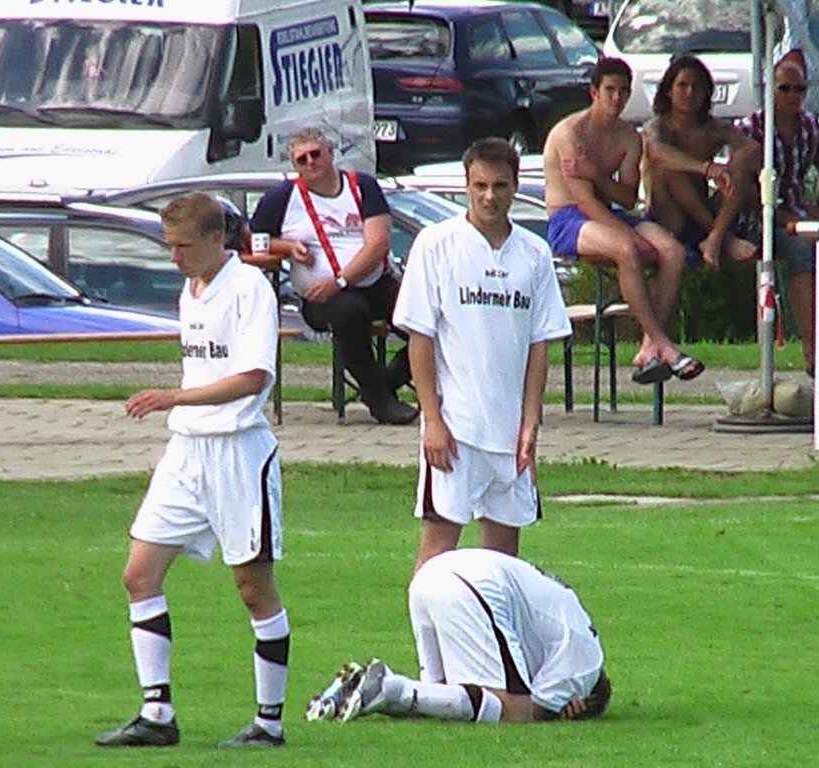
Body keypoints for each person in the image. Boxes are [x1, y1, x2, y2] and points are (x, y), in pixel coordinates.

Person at [94, 193, 291, 749]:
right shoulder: (192, 289)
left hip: (238, 453)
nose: (173, 257)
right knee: (139, 574)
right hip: (186, 452)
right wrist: (179, 407)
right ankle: (157, 714)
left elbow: (254, 377)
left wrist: (173, 397)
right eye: (168, 245)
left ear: (214, 239)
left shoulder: (249, 288)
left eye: (182, 246)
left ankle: (269, 723)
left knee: (253, 589)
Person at [392, 137, 572, 573]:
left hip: (508, 434)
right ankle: (425, 624)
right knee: (436, 556)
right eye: (481, 186)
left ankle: (493, 623)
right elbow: (420, 337)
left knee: (503, 562)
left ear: (515, 187)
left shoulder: (533, 253)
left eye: (500, 186)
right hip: (457, 427)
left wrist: (530, 424)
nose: (490, 196)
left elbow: (539, 344)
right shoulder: (436, 244)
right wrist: (432, 419)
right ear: (467, 186)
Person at [305, 548, 611, 724]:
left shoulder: (569, 629)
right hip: (474, 586)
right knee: (513, 711)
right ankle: (387, 687)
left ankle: (355, 690)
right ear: (582, 696)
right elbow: (531, 711)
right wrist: (556, 712)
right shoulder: (585, 666)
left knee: (442, 697)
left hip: (433, 574)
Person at [544, 56, 701, 386]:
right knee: (627, 249)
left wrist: (596, 174)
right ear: (594, 92)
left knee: (672, 251)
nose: (616, 99)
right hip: (568, 218)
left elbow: (628, 197)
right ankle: (663, 345)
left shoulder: (629, 136)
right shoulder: (570, 134)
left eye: (623, 91)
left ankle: (648, 348)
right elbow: (584, 201)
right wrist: (629, 237)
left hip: (608, 213)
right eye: (610, 90)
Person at [249, 126, 416, 425]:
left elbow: (377, 243)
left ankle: (385, 383)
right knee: (349, 314)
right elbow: (254, 239)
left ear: (330, 153)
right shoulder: (283, 196)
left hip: (373, 283)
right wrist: (288, 246)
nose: (310, 162)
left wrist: (339, 281)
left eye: (315, 154)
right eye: (302, 159)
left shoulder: (362, 186)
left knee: (427, 321)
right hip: (320, 298)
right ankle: (381, 402)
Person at [740, 49, 819, 375]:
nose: (793, 96)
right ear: (770, 89)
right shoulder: (752, 128)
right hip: (758, 218)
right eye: (785, 88)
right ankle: (812, 348)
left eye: (800, 89)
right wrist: (788, 219)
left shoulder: (810, 125)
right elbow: (745, 192)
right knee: (800, 250)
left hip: (799, 213)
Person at [642, 54, 760, 270]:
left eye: (696, 87)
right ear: (669, 91)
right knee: (668, 167)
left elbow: (752, 149)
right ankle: (723, 239)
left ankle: (715, 237)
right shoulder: (657, 127)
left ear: (706, 92)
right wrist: (706, 168)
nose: (689, 93)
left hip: (704, 209)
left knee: (743, 168)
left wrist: (732, 166)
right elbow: (657, 151)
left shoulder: (713, 128)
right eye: (682, 85)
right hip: (669, 217)